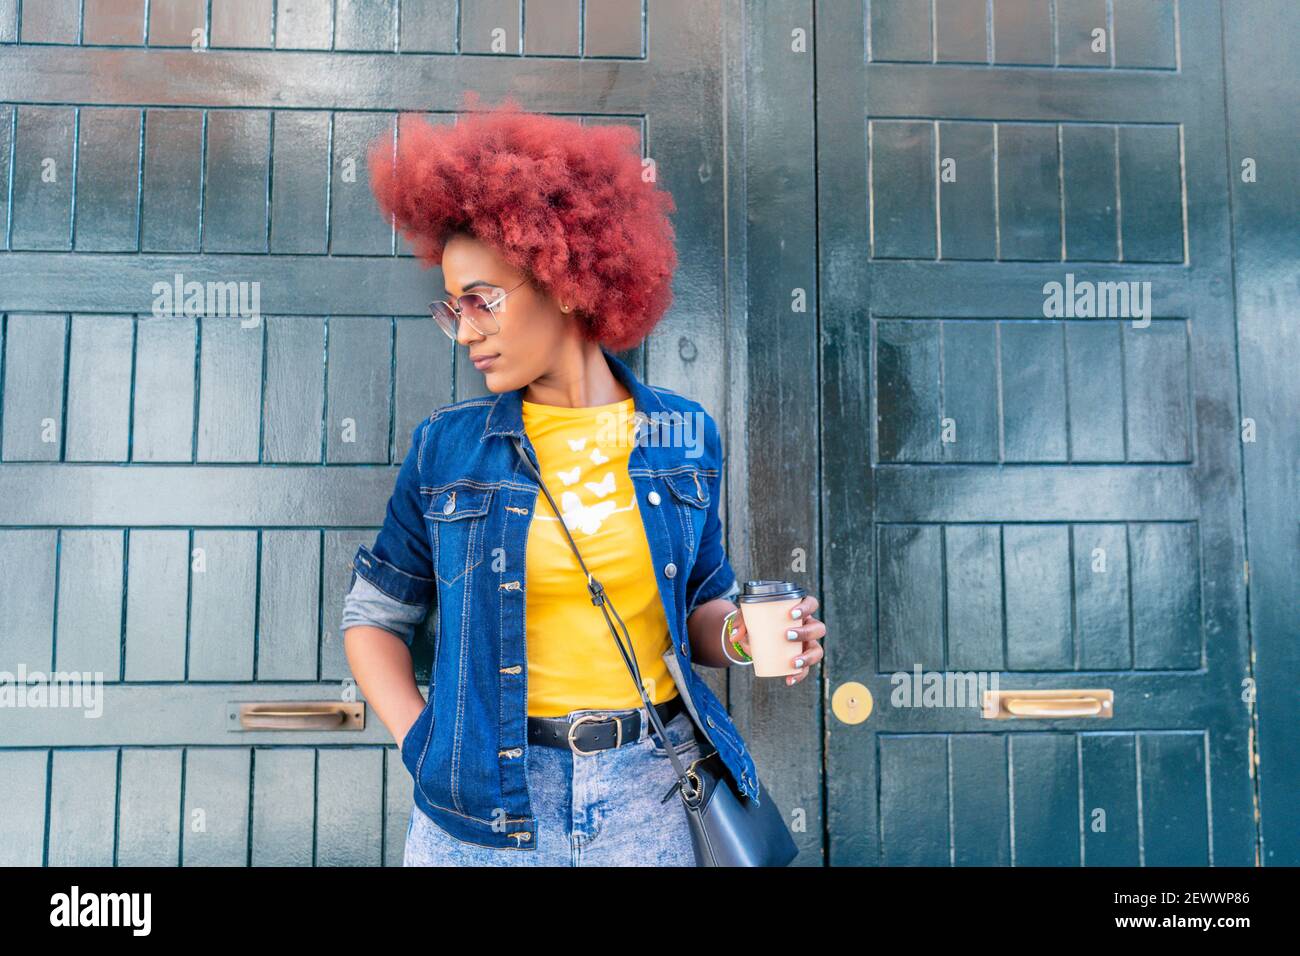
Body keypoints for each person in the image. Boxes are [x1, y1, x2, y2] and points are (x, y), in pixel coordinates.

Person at [340, 93, 826, 866]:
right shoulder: (448, 448)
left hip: (654, 796)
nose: (465, 330)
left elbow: (699, 602)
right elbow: (374, 616)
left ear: (565, 280)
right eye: (452, 308)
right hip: (482, 807)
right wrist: (423, 740)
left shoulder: (682, 436)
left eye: (482, 301)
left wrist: (743, 635)